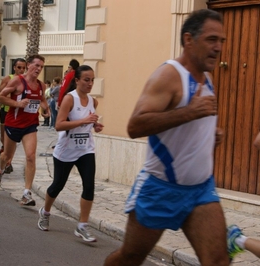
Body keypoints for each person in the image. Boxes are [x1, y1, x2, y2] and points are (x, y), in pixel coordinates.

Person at [104, 9, 229, 266]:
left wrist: (208, 134)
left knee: (218, 261)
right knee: (130, 258)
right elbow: (135, 126)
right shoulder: (168, 75)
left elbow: (188, 124)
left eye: (222, 41)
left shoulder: (208, 77)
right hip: (160, 189)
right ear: (188, 40)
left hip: (201, 189)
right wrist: (190, 113)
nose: (218, 48)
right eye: (211, 40)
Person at [37, 65, 104, 242]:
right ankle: (45, 212)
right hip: (66, 150)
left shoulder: (93, 101)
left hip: (85, 149)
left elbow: (88, 123)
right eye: (86, 80)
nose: (90, 84)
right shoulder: (69, 99)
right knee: (57, 185)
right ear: (77, 81)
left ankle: (82, 226)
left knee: (89, 185)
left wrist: (94, 126)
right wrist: (84, 120)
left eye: (92, 80)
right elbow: (59, 125)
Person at [0, 54, 50, 206]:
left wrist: (46, 109)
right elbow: (0, 97)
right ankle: (0, 170)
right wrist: (17, 104)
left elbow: (42, 99)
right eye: (37, 65)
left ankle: (26, 193)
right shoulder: (18, 81)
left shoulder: (41, 85)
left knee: (31, 157)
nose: (39, 69)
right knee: (6, 156)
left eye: (41, 67)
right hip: (13, 125)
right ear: (29, 65)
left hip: (30, 126)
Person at [0, 58, 26, 173]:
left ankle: (8, 162)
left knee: (13, 139)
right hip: (6, 111)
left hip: (18, 113)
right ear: (14, 68)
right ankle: (4, 150)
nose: (21, 70)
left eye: (23, 68)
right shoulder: (9, 78)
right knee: (3, 138)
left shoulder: (26, 80)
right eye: (19, 67)